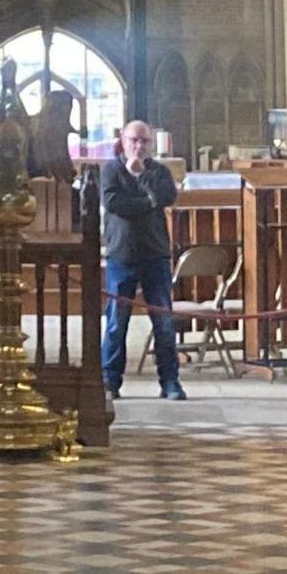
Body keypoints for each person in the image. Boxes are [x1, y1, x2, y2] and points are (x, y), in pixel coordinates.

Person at [101, 121, 185, 400]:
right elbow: (115, 204)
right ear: (123, 141)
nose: (139, 146)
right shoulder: (111, 170)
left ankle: (170, 382)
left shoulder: (159, 171)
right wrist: (148, 201)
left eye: (145, 141)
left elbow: (167, 197)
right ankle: (110, 382)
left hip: (155, 254)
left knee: (163, 322)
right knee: (116, 322)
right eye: (134, 140)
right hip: (121, 254)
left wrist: (141, 187)